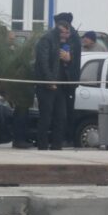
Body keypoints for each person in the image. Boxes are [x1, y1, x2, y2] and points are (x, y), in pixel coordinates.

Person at [34, 20, 72, 150]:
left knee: (61, 117)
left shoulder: (64, 43)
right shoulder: (46, 40)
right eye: (65, 33)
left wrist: (68, 60)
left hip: (60, 85)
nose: (67, 35)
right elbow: (43, 62)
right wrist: (49, 80)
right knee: (46, 117)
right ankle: (42, 146)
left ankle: (57, 145)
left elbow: (66, 64)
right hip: (46, 85)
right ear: (59, 30)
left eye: (68, 33)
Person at [53, 12, 81, 146]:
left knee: (66, 111)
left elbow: (70, 58)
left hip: (68, 80)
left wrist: (67, 58)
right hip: (67, 79)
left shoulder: (72, 38)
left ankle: (67, 138)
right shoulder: (72, 36)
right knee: (63, 111)